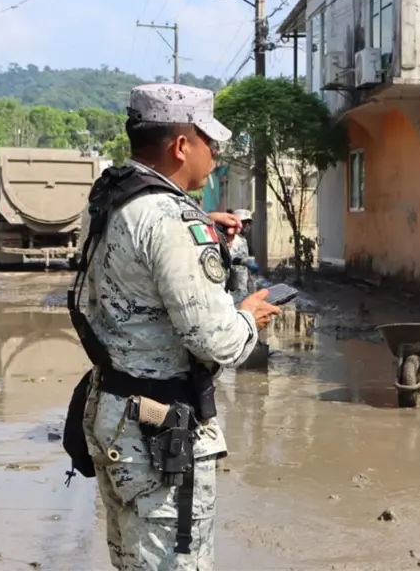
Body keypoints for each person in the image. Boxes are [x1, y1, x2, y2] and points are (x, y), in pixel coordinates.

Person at [75, 84, 281, 570]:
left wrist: (198, 232)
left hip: (111, 410)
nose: (215, 154)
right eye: (209, 142)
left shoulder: (111, 198)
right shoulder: (172, 220)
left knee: (133, 559)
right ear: (181, 145)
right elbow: (217, 340)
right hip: (158, 429)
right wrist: (249, 316)